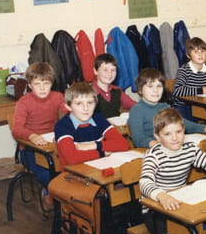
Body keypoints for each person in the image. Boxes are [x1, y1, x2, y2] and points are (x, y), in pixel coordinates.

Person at [139, 108, 206, 214]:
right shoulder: (153, 155)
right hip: (155, 206)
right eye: (167, 134)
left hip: (180, 199)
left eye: (178, 132)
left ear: (184, 130)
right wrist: (162, 196)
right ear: (157, 137)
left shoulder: (190, 149)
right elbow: (144, 183)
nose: (175, 138)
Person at [10, 62, 67, 209]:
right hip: (29, 149)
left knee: (70, 166)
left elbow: (69, 116)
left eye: (46, 83)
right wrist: (32, 136)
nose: (42, 88)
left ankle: (64, 198)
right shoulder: (24, 102)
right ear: (30, 85)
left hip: (52, 145)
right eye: (37, 84)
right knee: (47, 172)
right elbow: (16, 129)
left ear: (51, 83)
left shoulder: (58, 97)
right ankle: (51, 194)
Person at [128, 68, 206, 148]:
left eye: (159, 86)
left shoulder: (166, 107)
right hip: (151, 149)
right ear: (140, 90)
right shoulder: (137, 110)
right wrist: (155, 144)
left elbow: (185, 124)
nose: (155, 90)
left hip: (170, 145)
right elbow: (138, 138)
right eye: (150, 86)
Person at [54, 82, 129, 166]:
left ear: (96, 104)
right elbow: (72, 158)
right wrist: (102, 153)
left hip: (100, 166)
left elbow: (123, 144)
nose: (86, 108)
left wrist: (93, 145)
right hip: (73, 171)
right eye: (79, 103)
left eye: (90, 103)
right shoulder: (63, 125)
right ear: (68, 106)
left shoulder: (98, 118)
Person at [92, 53, 136, 118]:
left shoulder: (117, 90)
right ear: (95, 71)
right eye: (105, 70)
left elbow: (134, 105)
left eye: (113, 70)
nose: (109, 74)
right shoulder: (89, 92)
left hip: (116, 123)